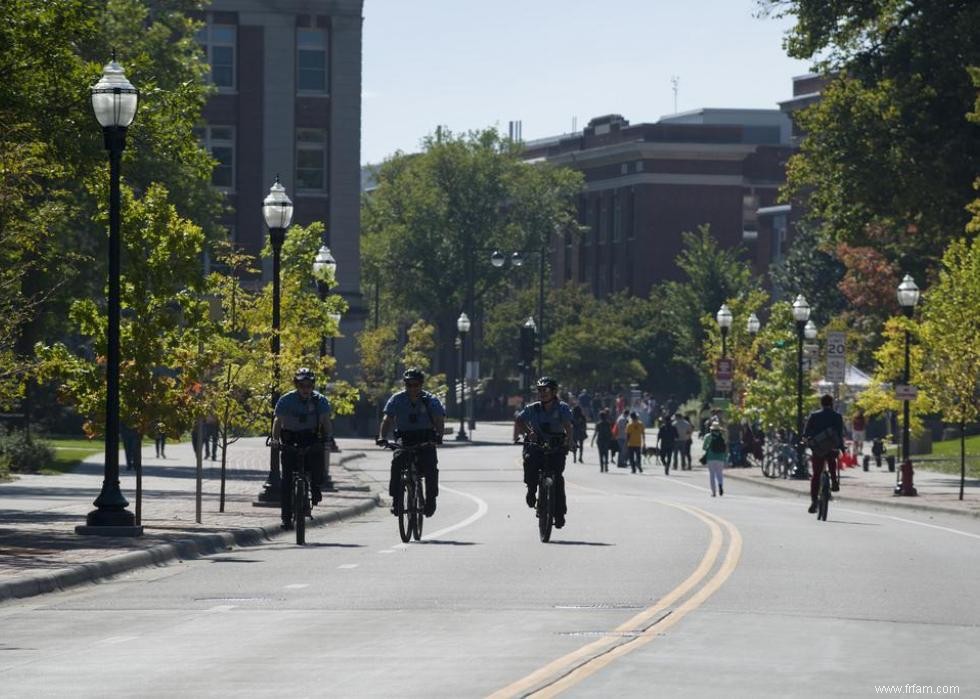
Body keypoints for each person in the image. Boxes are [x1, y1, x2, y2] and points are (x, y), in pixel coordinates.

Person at [377, 368, 445, 518]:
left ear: (421, 385)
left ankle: (431, 500)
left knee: (430, 467)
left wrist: (439, 436)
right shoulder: (397, 399)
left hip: (425, 437)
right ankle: (396, 500)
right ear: (405, 385)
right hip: (405, 437)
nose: (413, 388)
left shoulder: (431, 400)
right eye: (409, 385)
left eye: (416, 385)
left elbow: (439, 419)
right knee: (397, 462)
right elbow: (387, 419)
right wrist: (382, 437)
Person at [273, 368, 332, 530]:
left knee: (317, 459)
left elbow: (325, 421)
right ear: (296, 385)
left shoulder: (320, 400)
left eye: (309, 385)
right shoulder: (286, 400)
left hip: (310, 438)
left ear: (312, 386)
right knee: (286, 481)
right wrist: (275, 439)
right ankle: (286, 518)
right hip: (290, 439)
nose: (305, 389)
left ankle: (315, 487)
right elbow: (278, 421)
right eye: (302, 385)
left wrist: (328, 438)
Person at [514, 376, 573, 529]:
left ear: (554, 392)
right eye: (539, 390)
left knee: (558, 479)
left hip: (556, 446)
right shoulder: (532, 408)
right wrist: (529, 433)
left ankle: (559, 513)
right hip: (537, 445)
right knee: (530, 462)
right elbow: (519, 421)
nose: (542, 393)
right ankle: (532, 491)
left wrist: (569, 442)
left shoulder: (562, 408)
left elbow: (568, 427)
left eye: (545, 390)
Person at [802, 394, 845, 513]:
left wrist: (806, 440)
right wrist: (841, 448)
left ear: (821, 403)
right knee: (832, 458)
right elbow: (840, 434)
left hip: (818, 448)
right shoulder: (837, 416)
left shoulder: (814, 416)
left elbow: (806, 433)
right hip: (832, 447)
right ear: (831, 404)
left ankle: (814, 501)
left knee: (816, 475)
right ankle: (834, 481)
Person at [702, 421, 727, 496]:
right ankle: (720, 485)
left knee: (712, 475)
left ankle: (713, 492)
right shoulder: (722, 436)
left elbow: (704, 447)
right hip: (720, 457)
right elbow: (725, 447)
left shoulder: (707, 436)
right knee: (719, 474)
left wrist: (708, 448)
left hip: (711, 457)